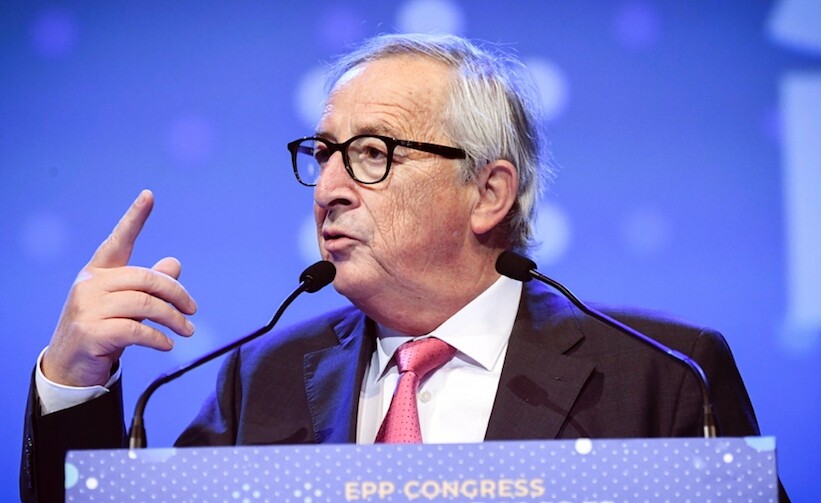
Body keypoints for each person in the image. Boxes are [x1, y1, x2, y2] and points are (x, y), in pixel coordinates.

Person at [20, 33, 784, 502]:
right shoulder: (262, 380)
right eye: (322, 153)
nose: (328, 186)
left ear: (487, 192)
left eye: (372, 153)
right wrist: (75, 379)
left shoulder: (663, 376)